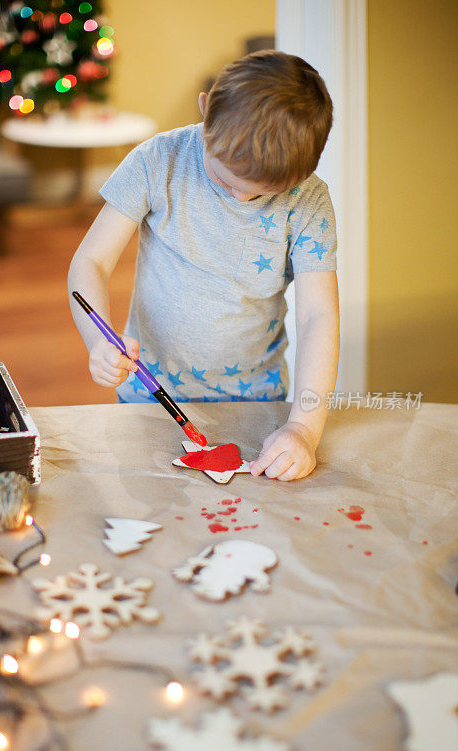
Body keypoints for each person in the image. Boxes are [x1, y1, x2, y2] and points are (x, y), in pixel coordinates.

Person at [68, 49, 339, 482]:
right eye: (226, 180)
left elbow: (319, 317)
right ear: (205, 109)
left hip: (255, 403)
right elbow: (92, 262)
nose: (242, 199)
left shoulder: (308, 200)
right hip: (150, 396)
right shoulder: (159, 161)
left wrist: (303, 429)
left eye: (263, 192)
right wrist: (98, 339)